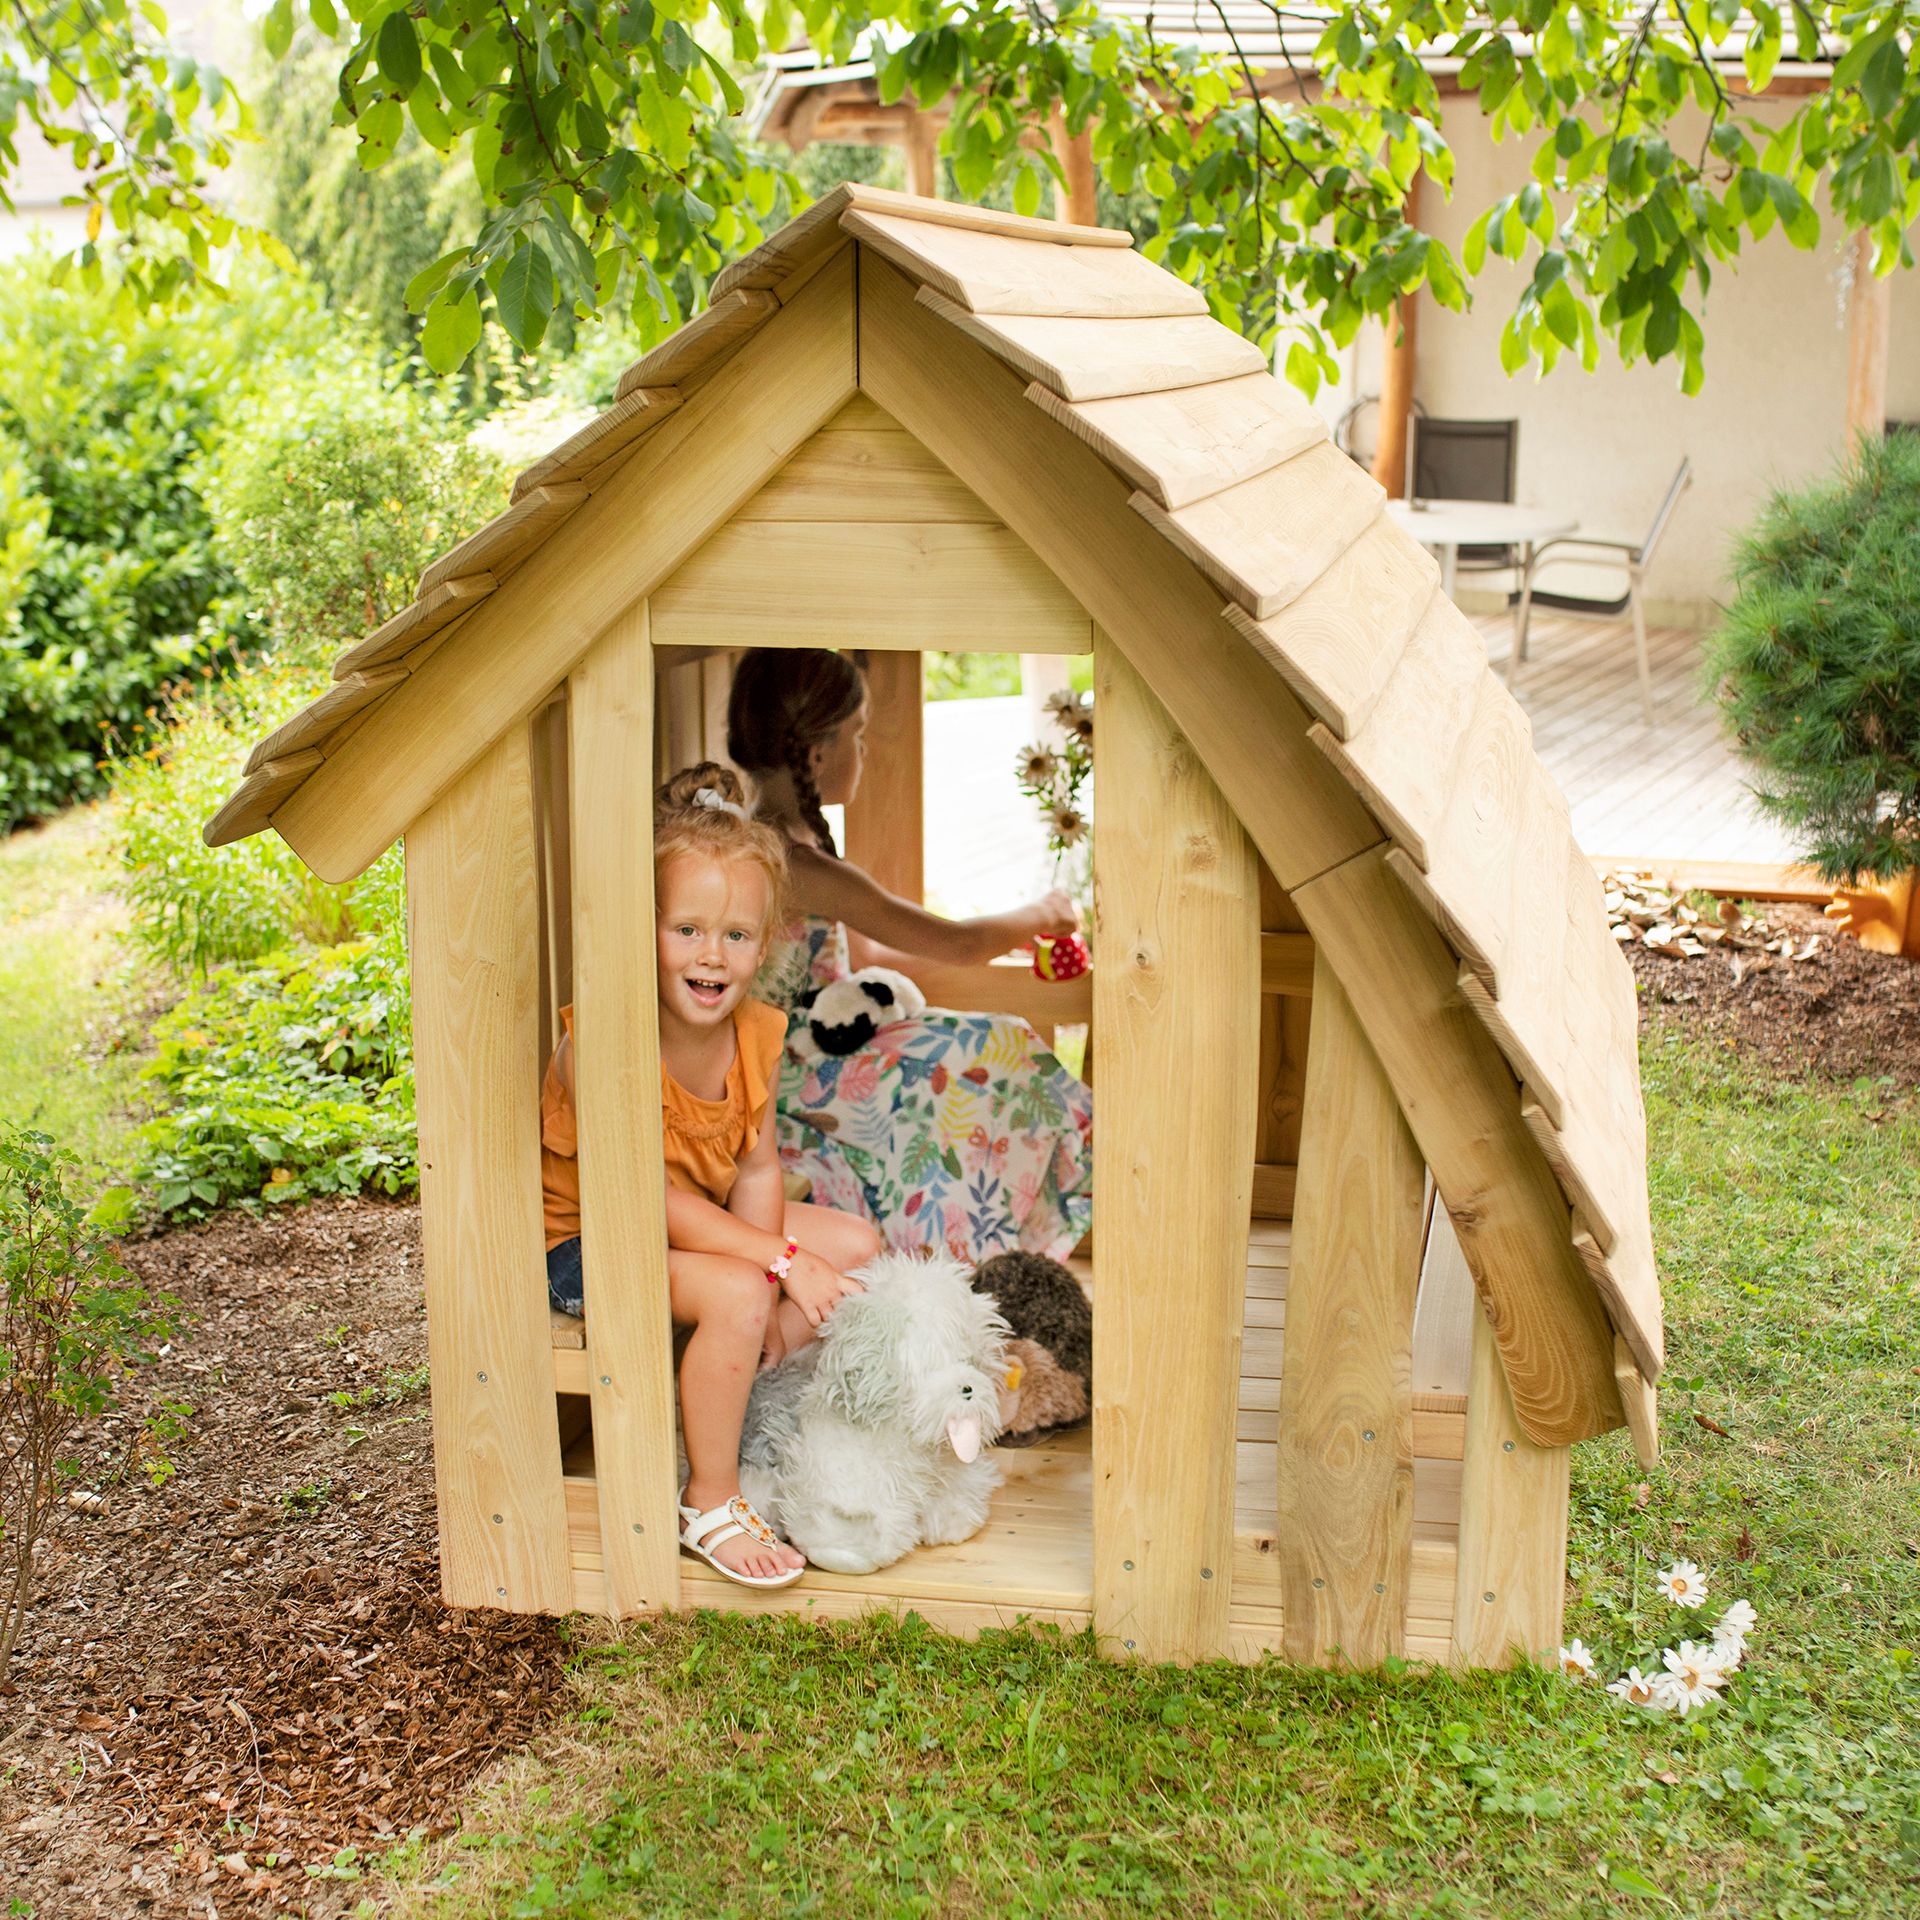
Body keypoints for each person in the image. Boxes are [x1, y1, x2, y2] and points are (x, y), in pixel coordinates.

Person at [539, 764, 880, 1590]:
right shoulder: (607, 1040)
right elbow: (646, 1204)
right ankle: (711, 1497)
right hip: (591, 1241)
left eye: (735, 935)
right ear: (645, 930)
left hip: (688, 1231)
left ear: (765, 946)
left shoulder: (757, 1033)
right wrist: (774, 1266)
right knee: (742, 1287)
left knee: (856, 1243)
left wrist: (777, 1252)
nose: (711, 955)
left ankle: (735, 1378)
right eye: (687, 929)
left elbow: (757, 1167)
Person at [729, 648, 1093, 1264]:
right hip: (787, 1077)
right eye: (858, 734)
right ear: (817, 752)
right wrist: (1044, 913)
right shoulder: (793, 863)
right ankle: (968, 1255)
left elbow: (874, 956)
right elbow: (953, 941)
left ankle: (975, 1251)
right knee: (1003, 1049)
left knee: (979, 1043)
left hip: (817, 1049)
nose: (865, 751)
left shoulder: (782, 843)